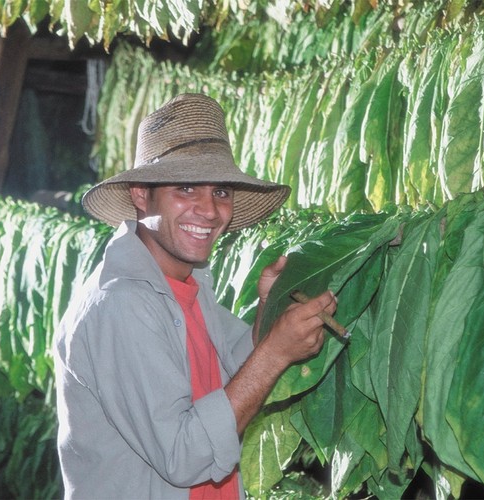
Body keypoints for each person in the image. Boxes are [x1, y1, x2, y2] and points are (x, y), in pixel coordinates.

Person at [53, 93, 337, 499]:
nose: (209, 210)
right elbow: (185, 456)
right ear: (140, 194)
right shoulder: (122, 304)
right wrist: (276, 351)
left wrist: (269, 313)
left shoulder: (189, 285)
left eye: (221, 191)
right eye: (186, 188)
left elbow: (235, 370)